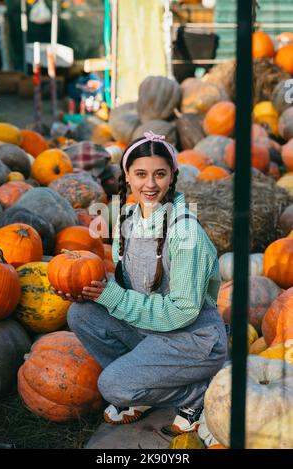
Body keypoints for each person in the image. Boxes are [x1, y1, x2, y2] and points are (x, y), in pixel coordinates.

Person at [57, 131, 228, 434]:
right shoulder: (127, 219)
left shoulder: (185, 233)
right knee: (80, 314)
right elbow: (131, 287)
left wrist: (114, 298)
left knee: (111, 385)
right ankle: (146, 384)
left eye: (160, 174)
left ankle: (197, 393)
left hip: (193, 339)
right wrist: (87, 288)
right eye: (141, 174)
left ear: (173, 175)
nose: (150, 184)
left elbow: (182, 311)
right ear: (127, 175)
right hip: (152, 329)